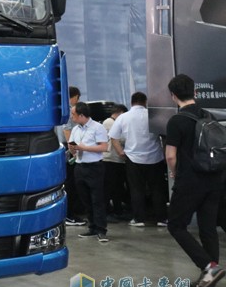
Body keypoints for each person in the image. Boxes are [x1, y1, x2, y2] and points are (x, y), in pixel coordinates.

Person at [165, 74, 225, 287]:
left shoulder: (176, 121)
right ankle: (209, 279)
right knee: (207, 227)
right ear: (195, 92)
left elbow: (170, 155)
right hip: (214, 178)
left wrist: (174, 173)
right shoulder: (208, 115)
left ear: (173, 96)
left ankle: (209, 267)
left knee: (176, 225)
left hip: (190, 181)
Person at [110, 92, 168, 227]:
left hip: (133, 158)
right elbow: (164, 136)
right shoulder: (153, 116)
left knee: (136, 189)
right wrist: (165, 154)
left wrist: (120, 152)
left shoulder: (123, 117)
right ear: (145, 102)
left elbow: (113, 137)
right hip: (155, 157)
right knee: (157, 189)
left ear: (131, 102)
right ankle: (162, 218)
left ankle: (138, 219)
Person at [69, 102, 110, 242]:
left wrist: (84, 148)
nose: (72, 117)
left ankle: (101, 229)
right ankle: (92, 227)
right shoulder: (75, 129)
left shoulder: (97, 127)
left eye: (73, 114)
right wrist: (72, 149)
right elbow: (73, 146)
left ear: (81, 115)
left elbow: (104, 147)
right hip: (79, 166)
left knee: (97, 199)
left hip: (94, 167)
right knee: (85, 199)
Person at [62, 86, 86, 227]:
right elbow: (67, 132)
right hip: (69, 150)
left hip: (63, 149)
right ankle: (69, 215)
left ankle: (70, 213)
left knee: (69, 183)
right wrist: (74, 151)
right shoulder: (70, 111)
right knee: (70, 184)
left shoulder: (61, 109)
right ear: (76, 96)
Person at [102, 104, 129, 220]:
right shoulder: (109, 122)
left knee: (117, 187)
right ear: (121, 113)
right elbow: (120, 138)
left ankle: (118, 210)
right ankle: (107, 212)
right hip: (110, 159)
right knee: (110, 187)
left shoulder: (112, 122)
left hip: (116, 159)